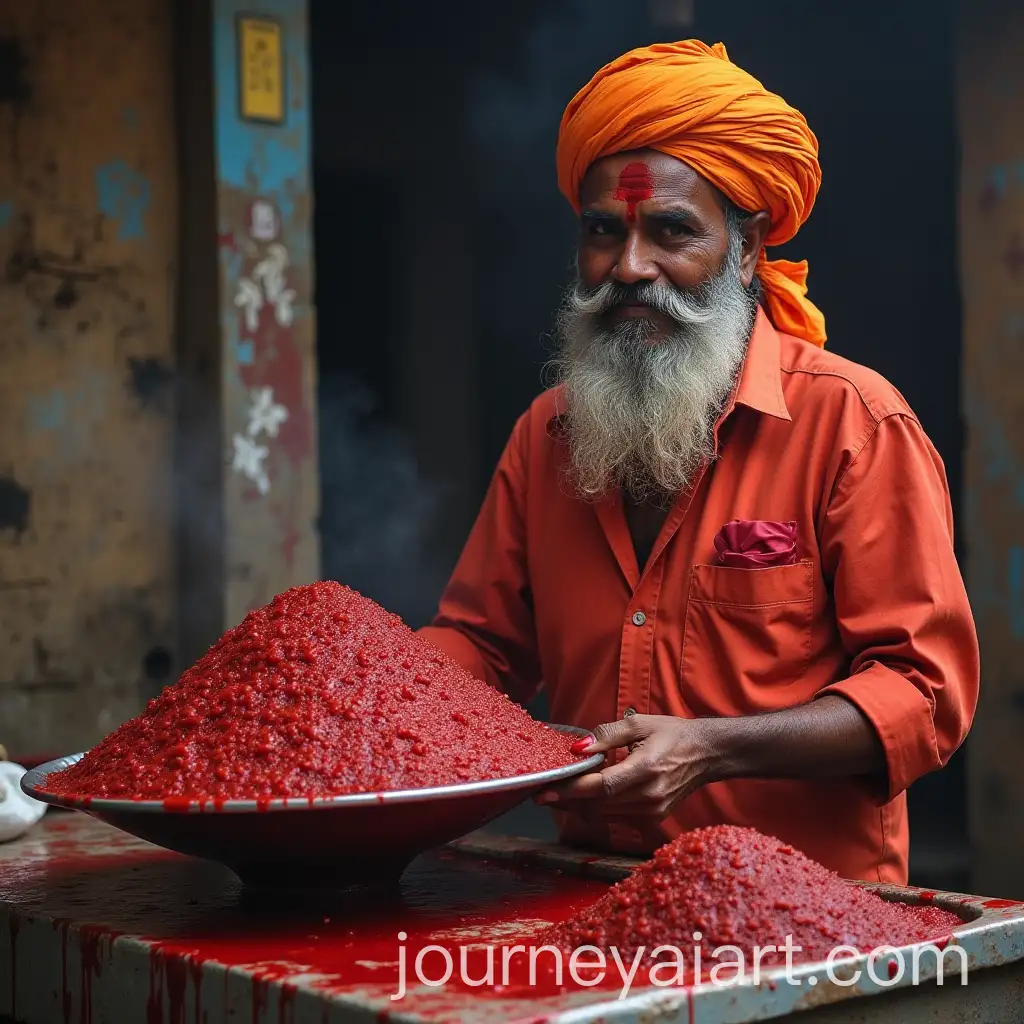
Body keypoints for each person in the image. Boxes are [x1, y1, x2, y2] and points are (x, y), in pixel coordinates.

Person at [418, 40, 979, 883]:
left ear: (746, 249)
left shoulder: (852, 423)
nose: (630, 267)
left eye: (672, 231)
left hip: (810, 914)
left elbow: (925, 695)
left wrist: (713, 748)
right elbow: (481, 645)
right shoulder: (546, 434)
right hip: (590, 898)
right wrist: (366, 690)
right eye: (603, 231)